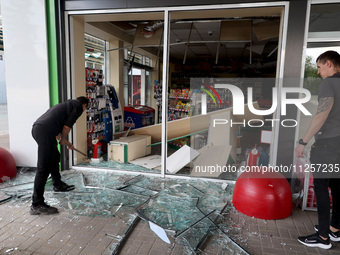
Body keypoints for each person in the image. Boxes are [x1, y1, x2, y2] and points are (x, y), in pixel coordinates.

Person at [295, 50, 340, 249]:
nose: (319, 72)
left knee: (321, 188)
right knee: (338, 187)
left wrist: (303, 141)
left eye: (319, 67)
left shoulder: (329, 83)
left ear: (329, 63)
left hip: (328, 144)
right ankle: (334, 229)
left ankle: (323, 238)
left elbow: (321, 115)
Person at [31, 96, 88, 215]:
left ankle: (57, 184)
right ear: (84, 105)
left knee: (55, 157)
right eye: (85, 108)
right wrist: (63, 138)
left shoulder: (66, 106)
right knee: (43, 168)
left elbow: (58, 133)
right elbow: (66, 127)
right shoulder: (77, 107)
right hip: (44, 132)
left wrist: (66, 142)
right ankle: (36, 204)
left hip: (41, 129)